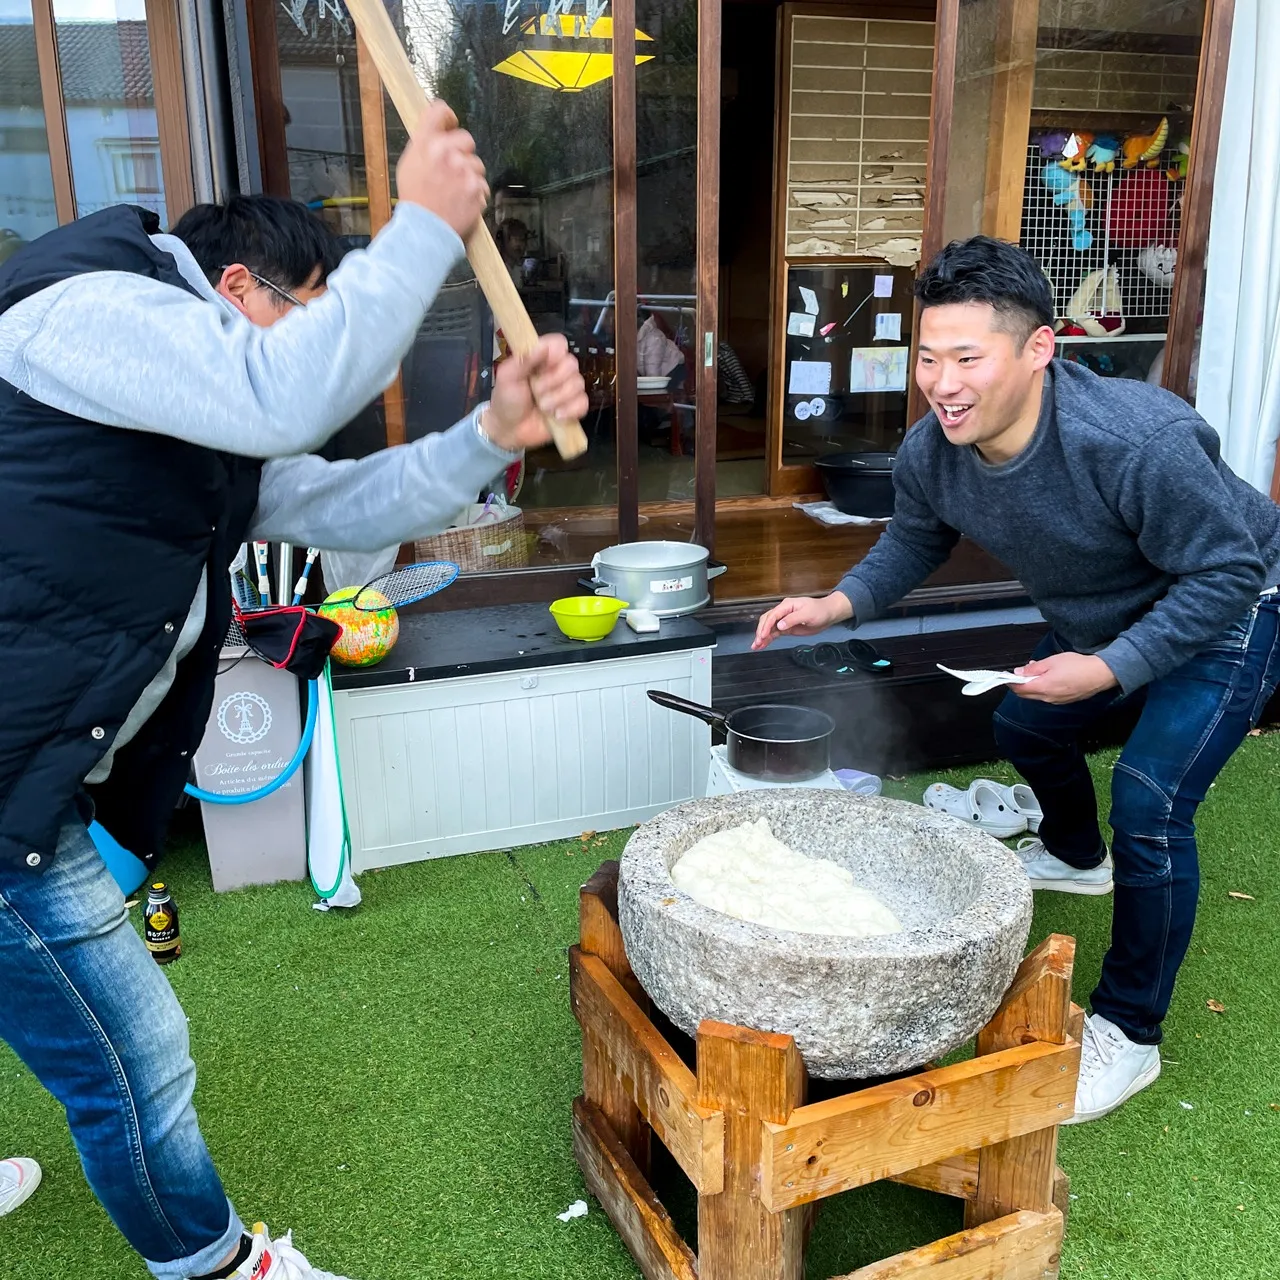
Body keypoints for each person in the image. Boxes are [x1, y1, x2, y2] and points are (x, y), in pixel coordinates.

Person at [0, 101, 587, 1280]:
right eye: (305, 314)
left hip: (38, 747)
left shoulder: (185, 409)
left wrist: (486, 432)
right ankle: (219, 1267)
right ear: (234, 285)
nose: (309, 346)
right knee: (138, 1051)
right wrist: (420, 223)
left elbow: (332, 502)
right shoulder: (92, 308)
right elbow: (286, 394)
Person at [753, 235, 1280, 1125]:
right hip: (1105, 612)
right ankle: (1078, 859)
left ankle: (1129, 1033)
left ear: (1039, 349)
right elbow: (917, 538)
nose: (941, 381)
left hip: (1235, 605)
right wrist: (837, 604)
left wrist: (1110, 668)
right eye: (927, 355)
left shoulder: (1136, 441)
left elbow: (1225, 573)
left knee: (1151, 803)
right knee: (1027, 726)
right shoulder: (934, 450)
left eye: (967, 357)